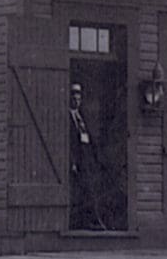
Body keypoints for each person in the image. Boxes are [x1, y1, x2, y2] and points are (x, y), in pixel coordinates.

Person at [69, 83, 106, 230]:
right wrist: (72, 161)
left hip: (87, 160)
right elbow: (69, 142)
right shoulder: (68, 117)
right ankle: (90, 221)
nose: (76, 101)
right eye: (73, 97)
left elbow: (88, 138)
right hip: (77, 161)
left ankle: (93, 221)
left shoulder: (81, 117)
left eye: (78, 98)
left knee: (91, 189)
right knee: (81, 191)